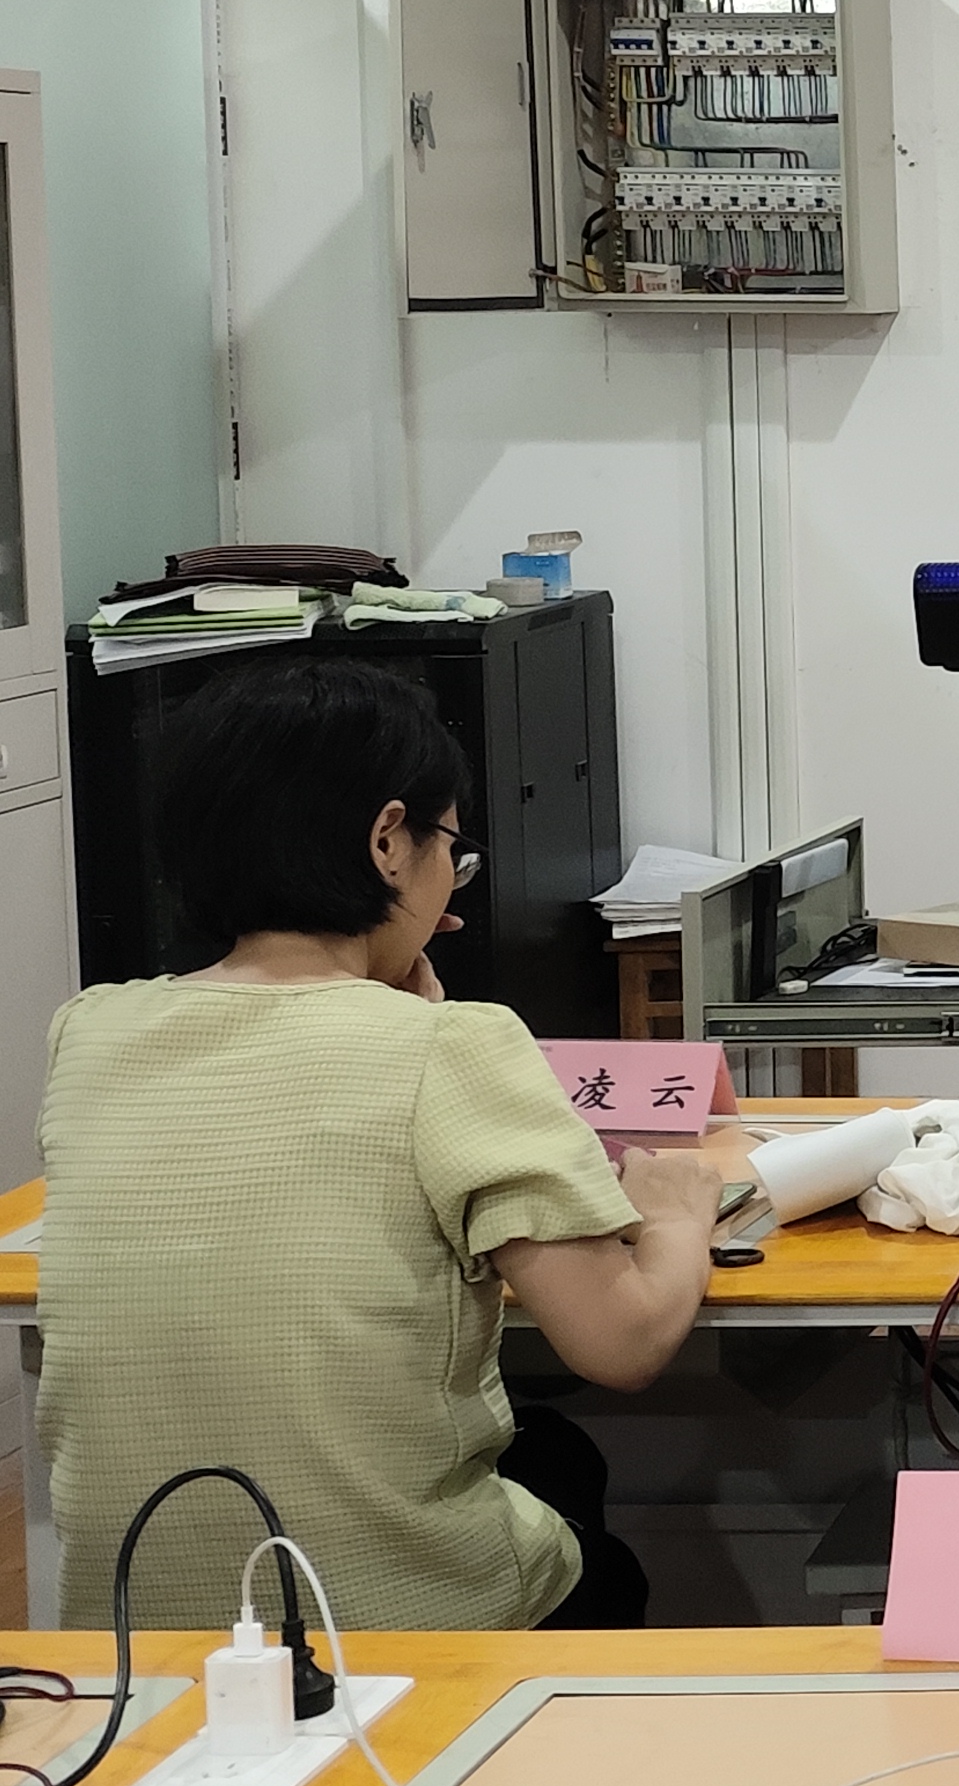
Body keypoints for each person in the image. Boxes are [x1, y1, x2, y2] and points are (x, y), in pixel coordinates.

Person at [37, 659, 714, 1629]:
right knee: (578, 1496)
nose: (451, 886)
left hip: (134, 1640)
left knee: (552, 1454)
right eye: (452, 848)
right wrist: (679, 1218)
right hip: (387, 1633)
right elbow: (623, 1341)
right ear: (389, 841)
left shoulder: (90, 1031)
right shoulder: (452, 1044)